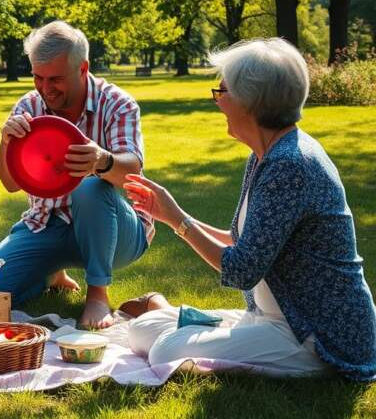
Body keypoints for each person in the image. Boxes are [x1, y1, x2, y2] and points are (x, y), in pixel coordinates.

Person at [123, 38, 376, 380]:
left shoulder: (291, 165)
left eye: (222, 90)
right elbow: (239, 241)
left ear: (249, 101)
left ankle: (209, 348)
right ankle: (174, 318)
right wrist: (169, 214)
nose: (217, 101)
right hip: (268, 318)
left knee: (165, 350)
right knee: (144, 330)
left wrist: (179, 221)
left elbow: (241, 269)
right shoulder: (266, 155)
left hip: (312, 335)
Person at [0, 21, 151, 329]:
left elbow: (133, 170)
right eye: (38, 77)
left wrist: (102, 161)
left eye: (56, 79)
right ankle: (49, 273)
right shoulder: (29, 106)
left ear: (82, 68)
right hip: (46, 224)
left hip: (115, 231)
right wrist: (5, 143)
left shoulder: (116, 103)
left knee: (90, 187)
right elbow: (10, 184)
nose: (45, 88)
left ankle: (97, 294)